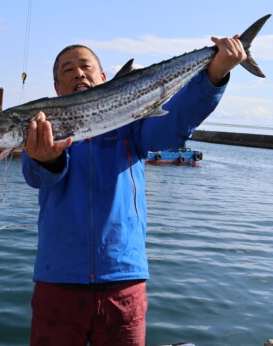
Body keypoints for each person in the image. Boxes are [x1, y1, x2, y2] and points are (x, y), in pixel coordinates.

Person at [22, 35, 246, 346]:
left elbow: (171, 130)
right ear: (57, 88)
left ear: (104, 78)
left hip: (123, 277)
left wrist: (213, 76)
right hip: (57, 279)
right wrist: (46, 159)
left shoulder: (131, 122)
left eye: (85, 66)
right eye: (67, 70)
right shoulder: (41, 129)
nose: (78, 73)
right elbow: (38, 178)